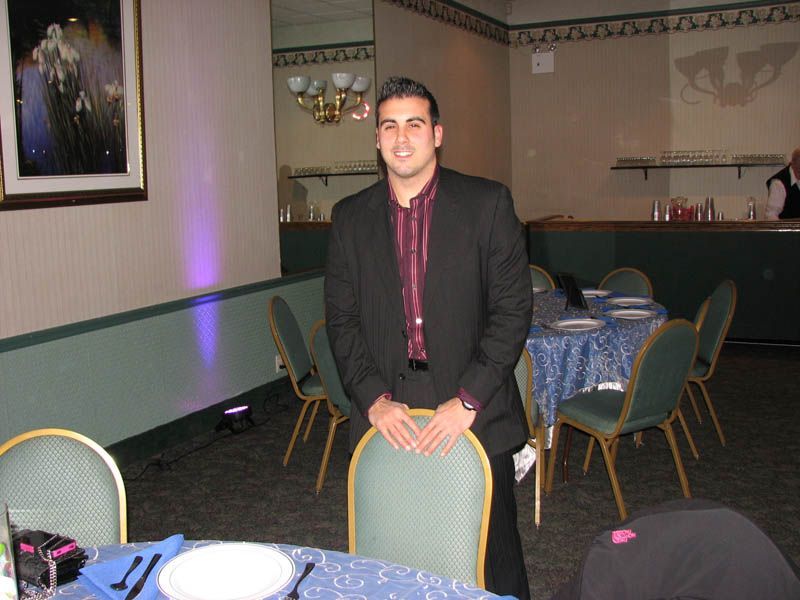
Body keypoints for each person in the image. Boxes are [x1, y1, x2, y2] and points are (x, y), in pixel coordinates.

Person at [324, 76, 531, 599]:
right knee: (394, 556)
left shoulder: (488, 204)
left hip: (472, 406)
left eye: (414, 124)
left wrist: (468, 399)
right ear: (376, 138)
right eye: (389, 125)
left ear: (437, 134)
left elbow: (512, 311)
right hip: (387, 411)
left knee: (491, 558)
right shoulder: (350, 218)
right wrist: (372, 400)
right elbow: (342, 321)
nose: (401, 137)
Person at [765, 147, 800, 220]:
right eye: (799, 170)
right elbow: (771, 215)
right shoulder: (778, 183)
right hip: (786, 230)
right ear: (792, 164)